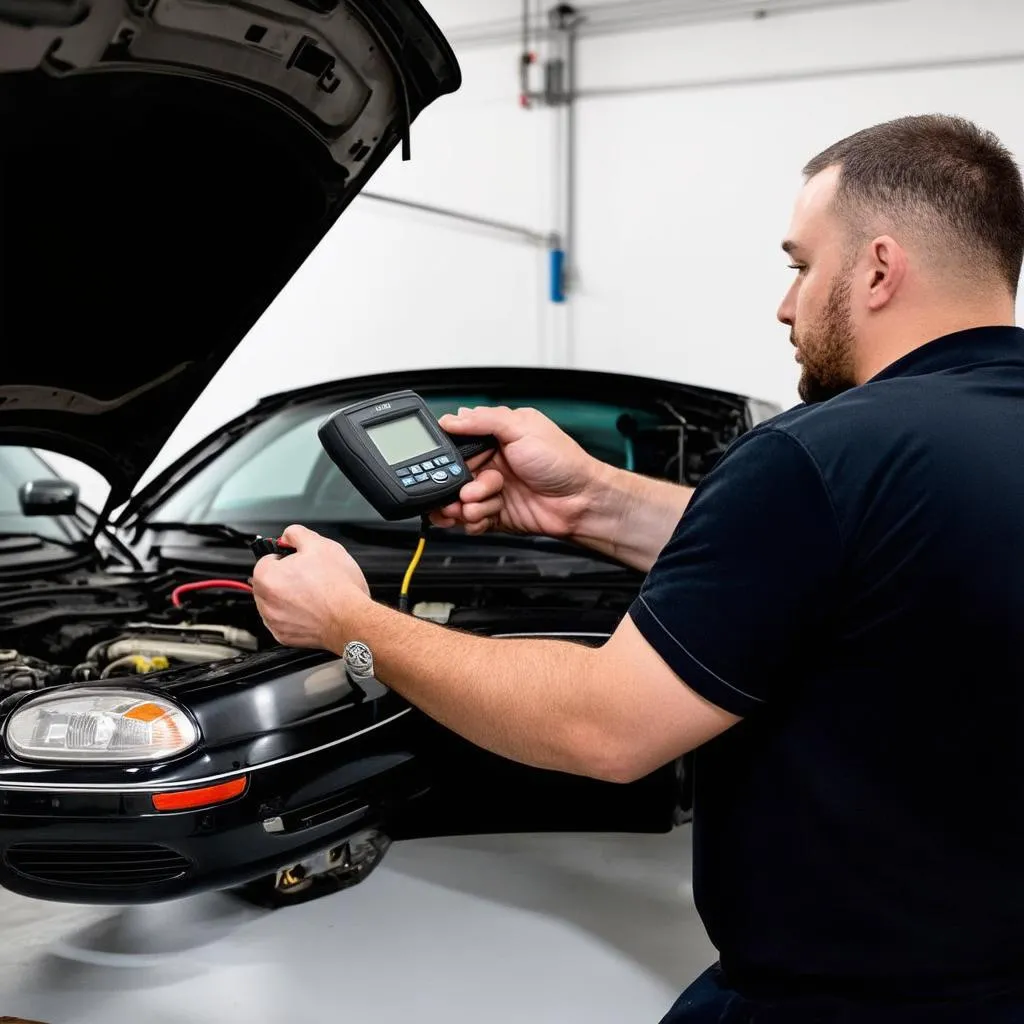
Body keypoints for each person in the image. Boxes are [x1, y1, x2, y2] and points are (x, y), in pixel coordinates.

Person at [251, 113, 1024, 1022]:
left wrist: (353, 622)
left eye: (800, 266)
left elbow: (603, 729)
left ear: (880, 269)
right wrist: (590, 500)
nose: (785, 305)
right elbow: (856, 566)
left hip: (841, 999)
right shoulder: (949, 447)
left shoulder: (818, 454)